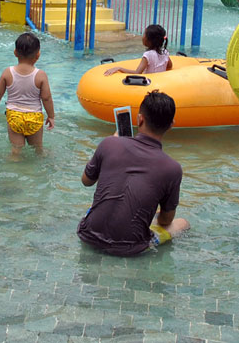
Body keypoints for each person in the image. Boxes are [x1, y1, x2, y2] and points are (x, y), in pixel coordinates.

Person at [77, 90, 189, 255]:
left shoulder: (109, 144)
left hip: (88, 235)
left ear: (139, 119)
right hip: (130, 247)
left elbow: (86, 181)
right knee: (183, 223)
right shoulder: (172, 168)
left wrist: (108, 148)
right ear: (171, 125)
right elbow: (166, 220)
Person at [0, 32, 57, 157]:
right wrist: (51, 116)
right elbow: (46, 98)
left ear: (15, 53)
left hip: (15, 116)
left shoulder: (8, 72)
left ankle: (14, 163)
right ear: (38, 54)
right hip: (34, 117)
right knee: (38, 149)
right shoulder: (40, 75)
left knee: (16, 150)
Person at [104, 24, 171, 76]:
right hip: (161, 83)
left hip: (150, 85)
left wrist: (119, 68)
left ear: (150, 40)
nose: (142, 37)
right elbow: (170, 66)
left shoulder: (148, 55)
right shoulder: (165, 52)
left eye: (144, 35)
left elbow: (137, 73)